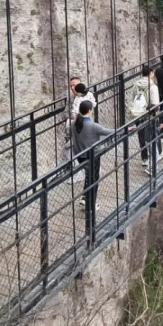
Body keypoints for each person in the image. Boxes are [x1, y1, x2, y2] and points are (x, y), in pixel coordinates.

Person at [72, 100, 114, 244]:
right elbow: (109, 132)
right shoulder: (92, 126)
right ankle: (91, 204)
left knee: (89, 177)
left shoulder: (75, 124)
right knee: (94, 179)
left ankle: (86, 199)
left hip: (80, 156)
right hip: (93, 156)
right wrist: (130, 129)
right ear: (90, 110)